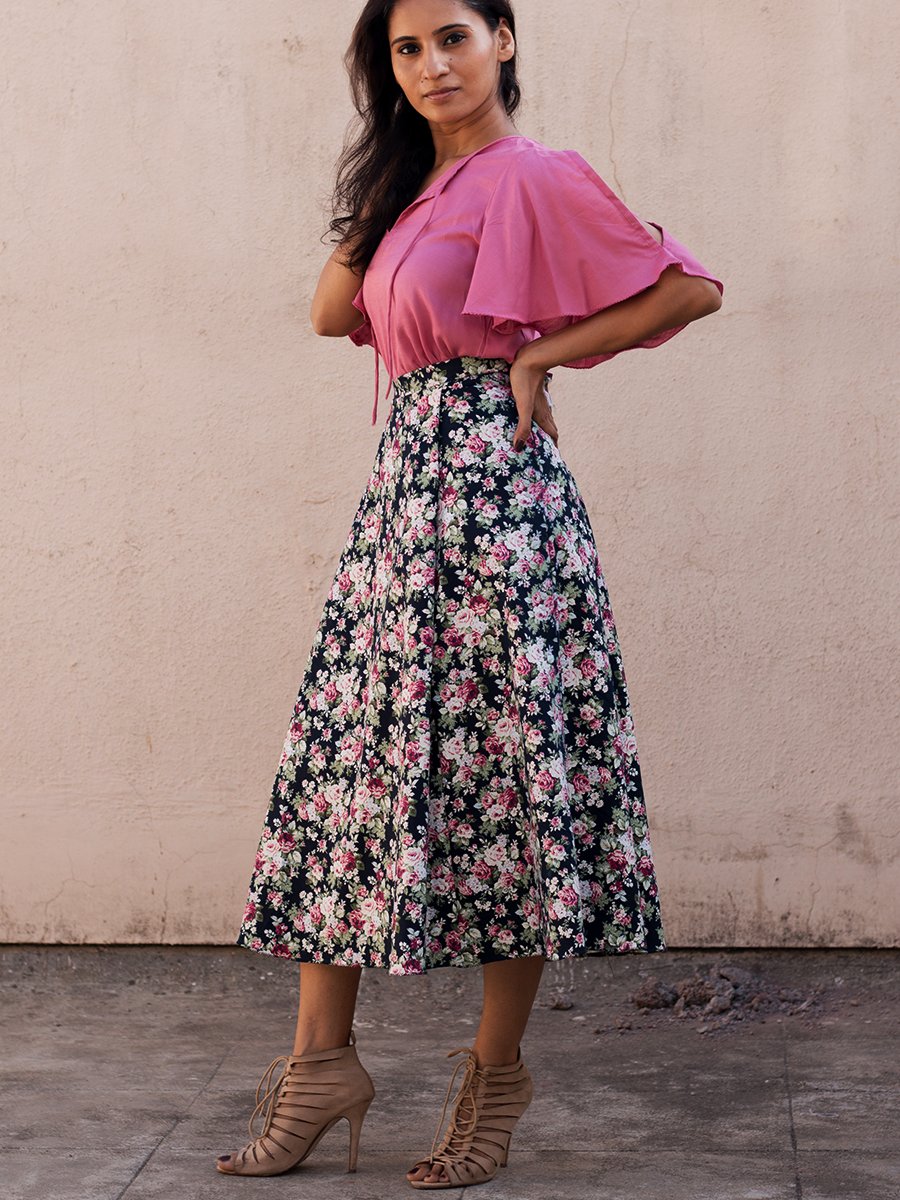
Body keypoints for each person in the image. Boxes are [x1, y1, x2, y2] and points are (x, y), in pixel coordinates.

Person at [218, 0, 722, 1189]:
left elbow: (689, 290)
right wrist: (388, 183)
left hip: (497, 505)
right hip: (400, 508)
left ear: (504, 39)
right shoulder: (420, 188)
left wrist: (540, 354)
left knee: (509, 783)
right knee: (349, 773)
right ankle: (319, 1065)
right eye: (405, 49)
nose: (432, 64)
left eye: (453, 35)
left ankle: (494, 1082)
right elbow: (334, 314)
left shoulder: (534, 173)